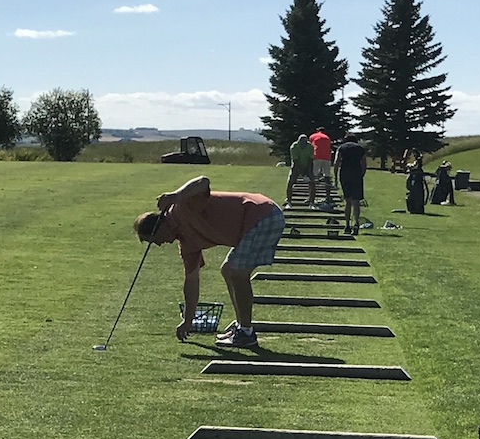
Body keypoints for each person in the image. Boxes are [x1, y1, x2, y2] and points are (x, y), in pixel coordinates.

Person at [133, 176, 284, 350]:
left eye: (153, 240)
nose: (158, 245)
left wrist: (175, 195)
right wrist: (188, 320)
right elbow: (191, 280)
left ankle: (246, 332)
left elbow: (203, 182)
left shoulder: (183, 207)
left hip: (263, 214)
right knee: (228, 271)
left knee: (236, 272)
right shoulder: (186, 243)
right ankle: (242, 327)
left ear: (159, 228)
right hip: (258, 220)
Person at [333, 132, 367, 233]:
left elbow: (336, 162)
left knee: (348, 201)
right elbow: (364, 164)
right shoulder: (360, 149)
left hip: (345, 174)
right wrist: (361, 175)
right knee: (356, 201)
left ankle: (347, 225)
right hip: (356, 174)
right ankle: (356, 223)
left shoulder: (341, 148)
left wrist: (335, 176)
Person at [285, 134, 315, 207]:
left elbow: (310, 161)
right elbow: (296, 162)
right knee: (290, 182)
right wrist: (303, 175)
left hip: (307, 166)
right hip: (296, 167)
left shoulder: (310, 147)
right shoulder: (294, 147)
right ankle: (289, 202)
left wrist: (309, 172)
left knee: (312, 184)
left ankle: (312, 203)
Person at [309, 127, 333, 197]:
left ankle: (311, 195)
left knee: (313, 176)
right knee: (327, 176)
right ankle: (328, 196)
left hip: (316, 156)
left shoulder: (312, 136)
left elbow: (310, 147)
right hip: (327, 157)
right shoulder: (327, 137)